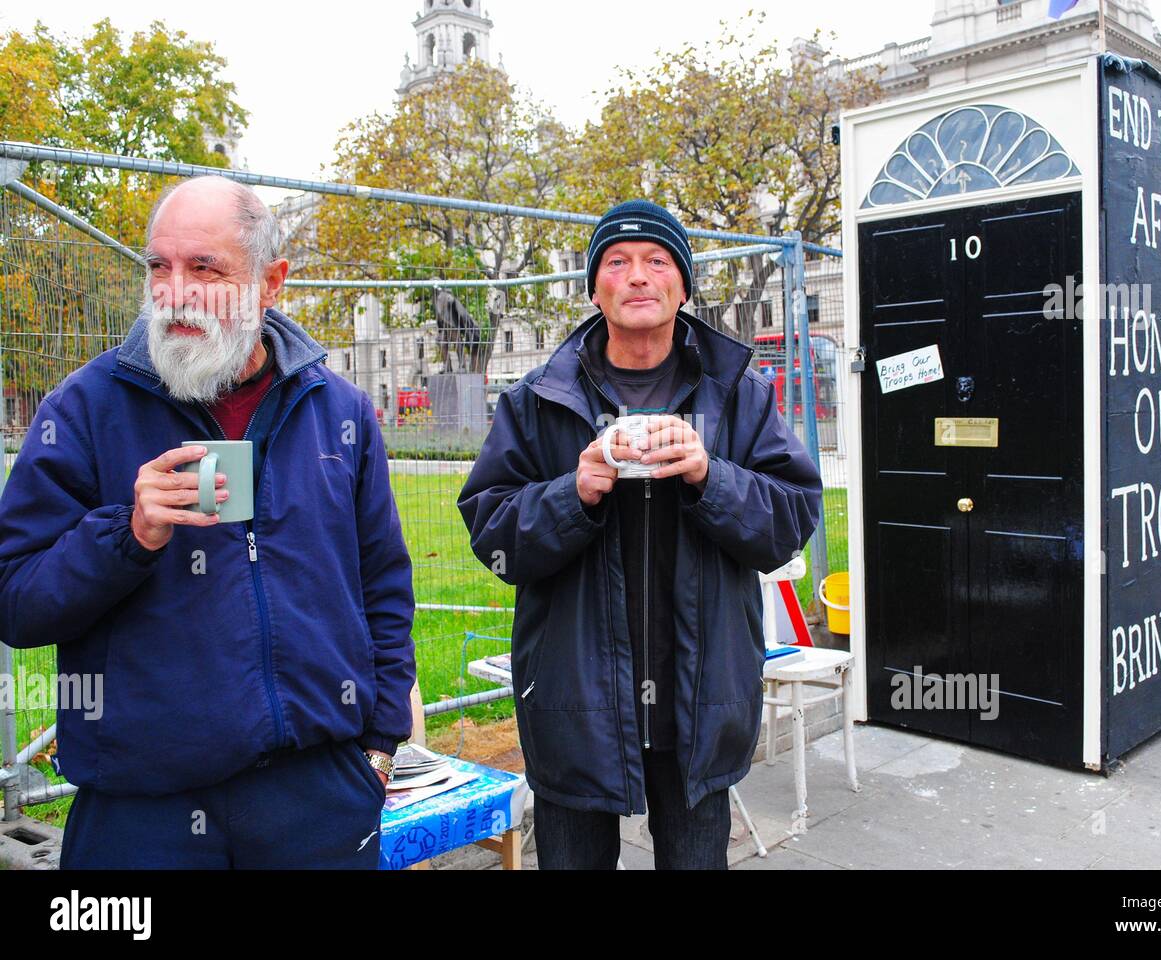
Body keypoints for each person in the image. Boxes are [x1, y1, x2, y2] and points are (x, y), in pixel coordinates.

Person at [0, 176, 416, 868]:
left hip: (317, 800)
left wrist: (377, 747)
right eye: (158, 267)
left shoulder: (337, 411)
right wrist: (126, 536)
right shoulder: (85, 408)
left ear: (271, 282)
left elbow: (385, 588)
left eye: (205, 268)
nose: (176, 292)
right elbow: (15, 603)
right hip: (141, 815)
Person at [458, 200, 822, 869]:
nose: (638, 276)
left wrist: (712, 477)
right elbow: (493, 532)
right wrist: (574, 492)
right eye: (617, 263)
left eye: (658, 261)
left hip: (700, 698)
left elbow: (792, 521)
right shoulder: (537, 399)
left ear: (683, 285)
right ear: (594, 286)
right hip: (575, 701)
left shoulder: (738, 393)